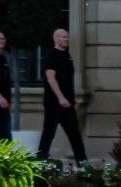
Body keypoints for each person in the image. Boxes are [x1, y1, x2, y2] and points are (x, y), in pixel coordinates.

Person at [38, 26, 88, 173]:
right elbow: (50, 78)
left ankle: (84, 168)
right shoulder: (52, 55)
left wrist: (68, 100)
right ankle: (39, 166)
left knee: (75, 136)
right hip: (54, 104)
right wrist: (60, 97)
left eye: (67, 37)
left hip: (68, 105)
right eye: (63, 37)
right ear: (56, 39)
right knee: (48, 135)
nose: (66, 39)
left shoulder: (67, 55)